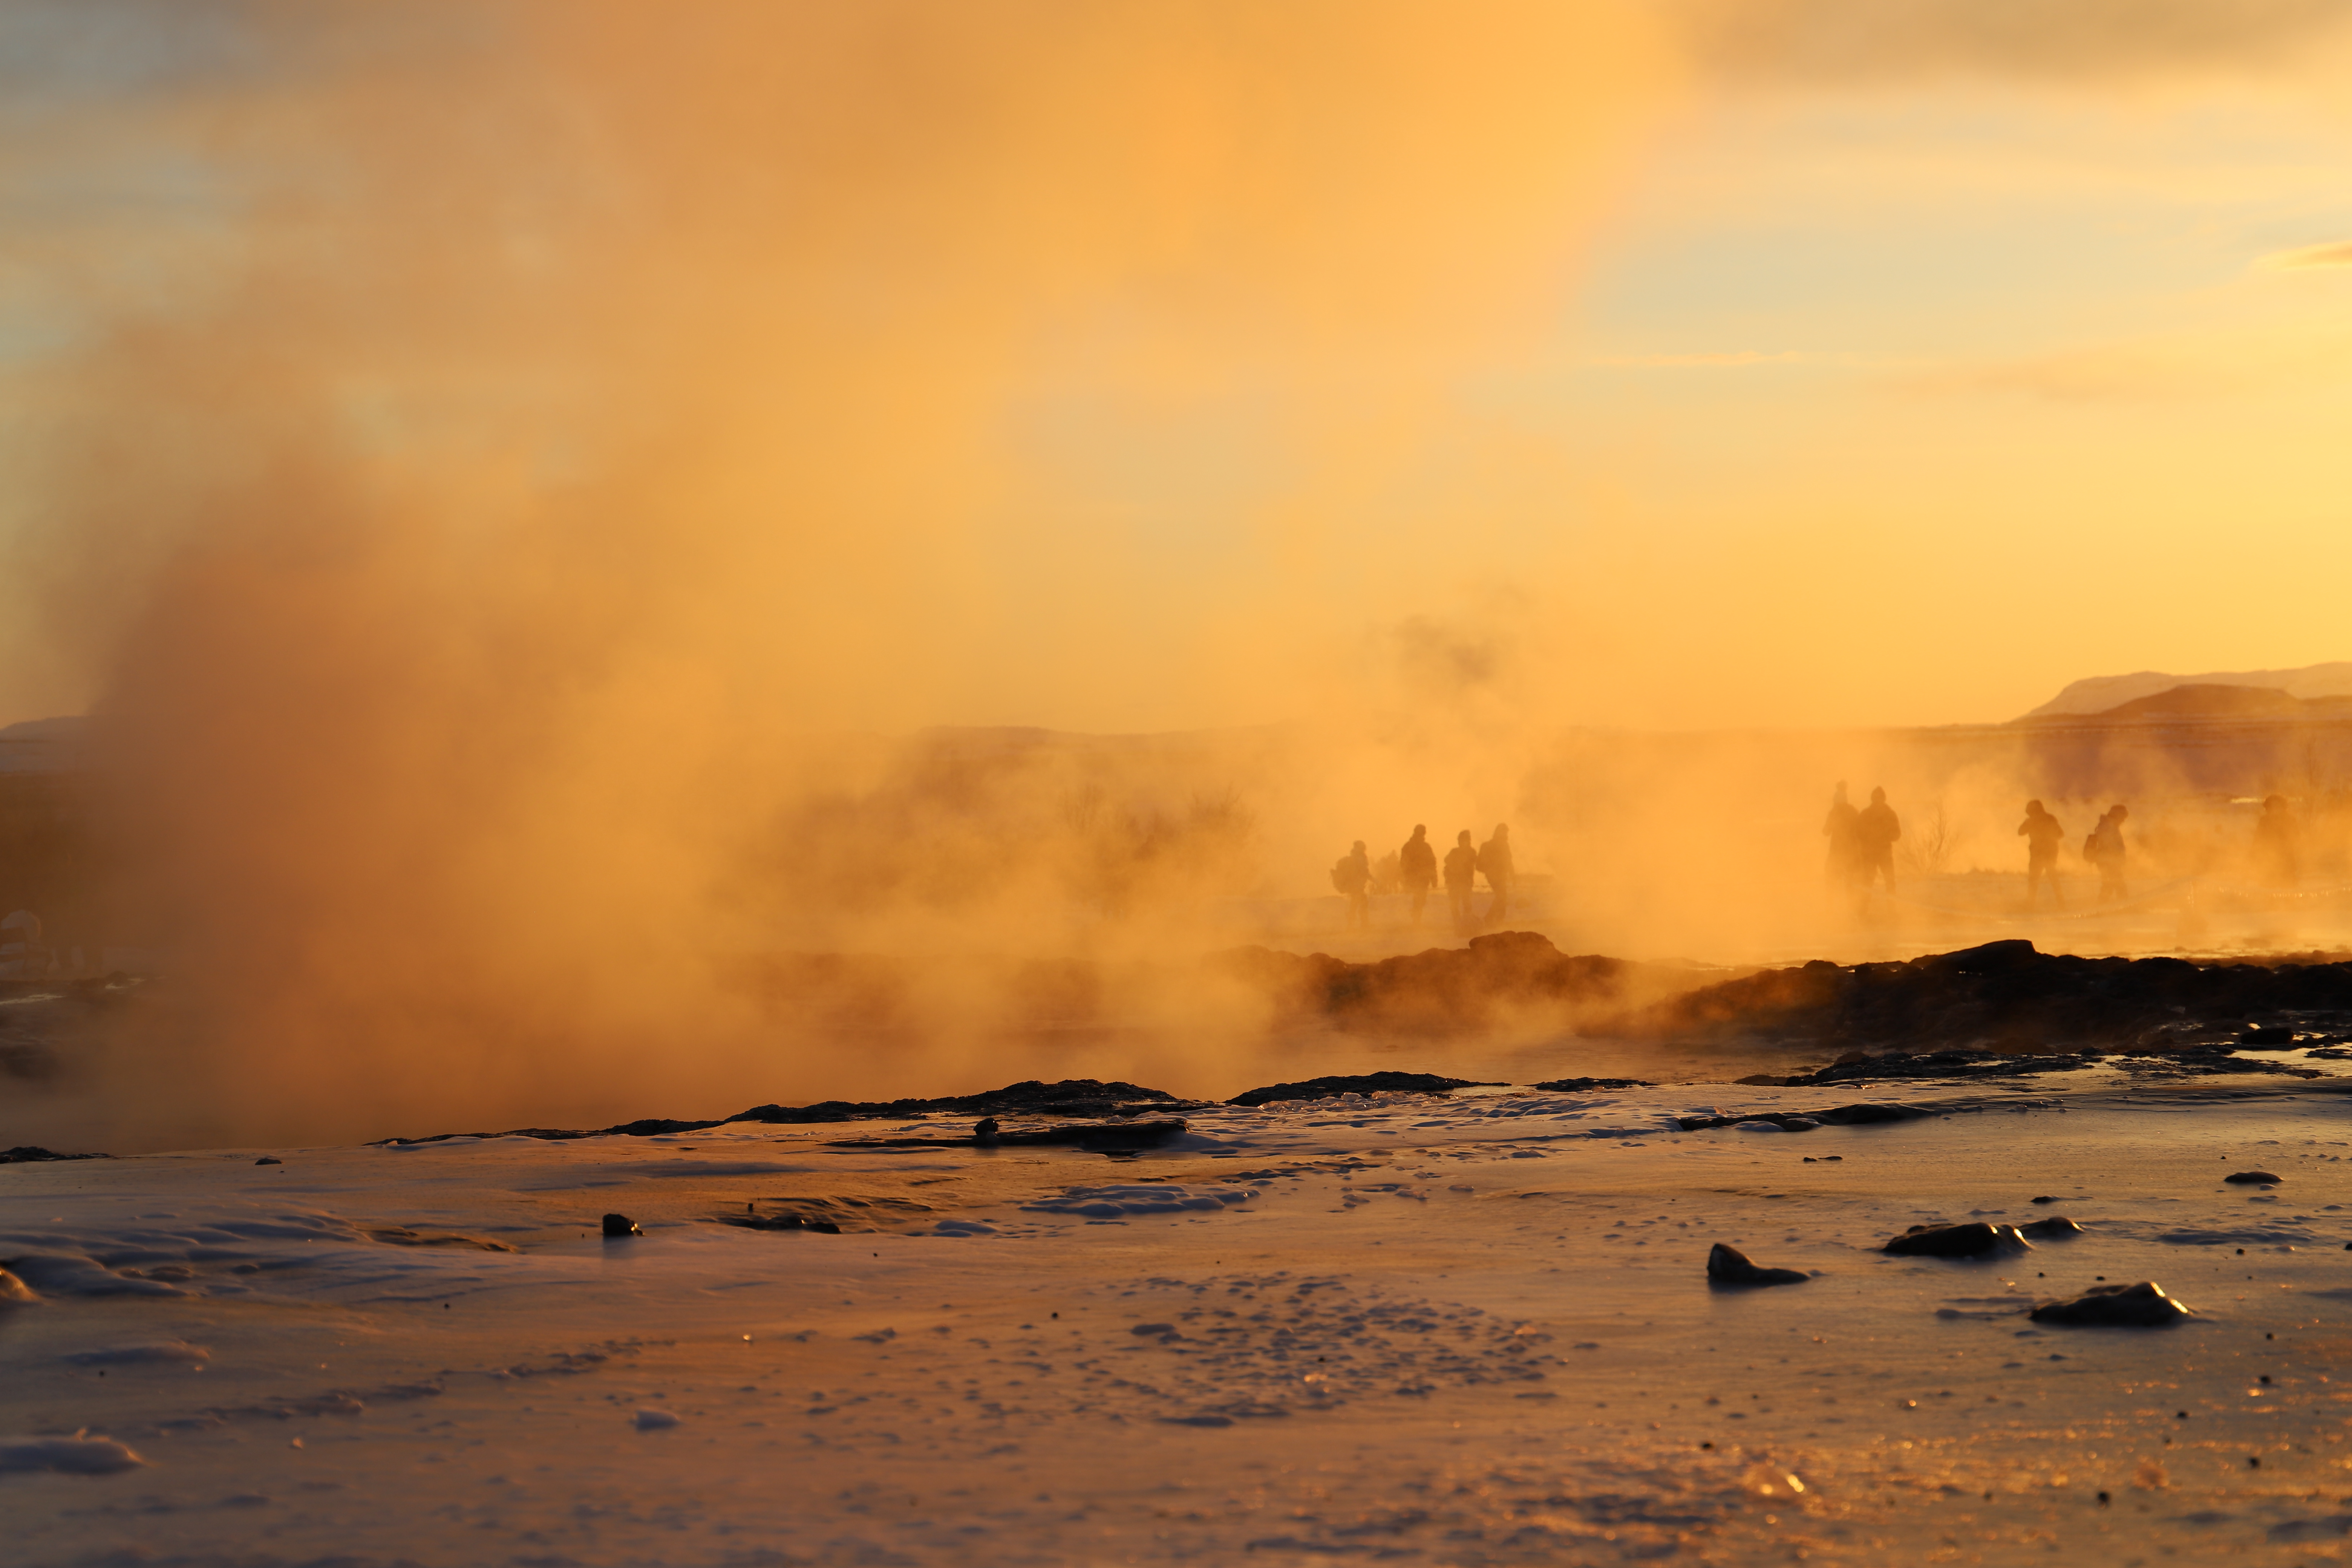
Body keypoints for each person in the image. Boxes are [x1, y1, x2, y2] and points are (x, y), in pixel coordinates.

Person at [2018, 799, 2067, 909]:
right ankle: (2061, 902)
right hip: (2050, 853)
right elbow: (2061, 834)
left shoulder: (2031, 821)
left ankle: (2031, 904)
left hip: (2037, 854)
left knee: (2034, 880)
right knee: (2054, 879)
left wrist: (2029, 824)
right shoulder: (2050, 819)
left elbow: (2020, 832)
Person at [1854, 786, 1901, 896]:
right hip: (1885, 853)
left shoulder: (1865, 814)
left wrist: (1867, 840)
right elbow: (1897, 835)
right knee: (1890, 882)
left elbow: (1858, 833)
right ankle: (1892, 910)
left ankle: (1862, 910)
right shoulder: (1890, 814)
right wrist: (1886, 837)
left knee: (1868, 882)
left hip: (1870, 854)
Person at [2254, 794, 2300, 888]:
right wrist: (2255, 856)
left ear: (2284, 807)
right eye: (2272, 806)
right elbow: (2258, 840)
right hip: (2267, 860)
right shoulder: (2264, 821)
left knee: (2287, 888)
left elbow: (2296, 838)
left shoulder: (2290, 820)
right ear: (2268, 808)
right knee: (2268, 888)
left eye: (2278, 806)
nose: (2275, 809)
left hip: (2286, 860)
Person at [2085, 804, 2130, 902]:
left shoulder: (2110, 825)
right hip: (2108, 861)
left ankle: (2103, 904)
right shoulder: (2108, 826)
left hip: (2108, 861)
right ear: (2118, 815)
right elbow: (2109, 845)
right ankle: (2124, 905)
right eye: (2123, 817)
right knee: (2117, 884)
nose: (2124, 820)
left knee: (2110, 884)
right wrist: (2118, 856)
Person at [1822, 782, 1860, 894]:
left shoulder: (1834, 813)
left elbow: (1826, 832)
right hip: (1851, 851)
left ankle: (1831, 906)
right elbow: (1860, 828)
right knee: (1851, 879)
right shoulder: (1853, 811)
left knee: (1830, 876)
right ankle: (1853, 903)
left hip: (1837, 851)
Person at [1398, 824, 1438, 926]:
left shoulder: (1426, 847)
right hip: (1414, 878)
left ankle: (1415, 915)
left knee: (1421, 900)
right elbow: (1403, 863)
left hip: (1423, 878)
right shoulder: (1409, 846)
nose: (1422, 835)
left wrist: (1434, 878)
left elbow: (1432, 863)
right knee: (1419, 899)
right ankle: (1416, 920)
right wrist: (1405, 876)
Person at [1477, 822, 1515, 924]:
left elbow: (1508, 861)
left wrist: (1512, 875)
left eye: (1506, 832)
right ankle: (1492, 919)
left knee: (1502, 897)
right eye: (1504, 831)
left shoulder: (1504, 845)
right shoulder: (1492, 845)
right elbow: (1508, 861)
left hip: (1500, 875)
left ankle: (1498, 919)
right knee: (1502, 896)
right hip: (1494, 876)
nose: (1505, 834)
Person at [1331, 840, 1372, 929]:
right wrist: (1374, 880)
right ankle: (1363, 924)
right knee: (1361, 904)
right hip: (1357, 886)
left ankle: (1352, 925)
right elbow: (1364, 872)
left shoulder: (1354, 857)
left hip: (1355, 886)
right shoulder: (1360, 858)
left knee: (1355, 905)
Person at [1444, 829, 1479, 933]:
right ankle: (1458, 924)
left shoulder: (1472, 852)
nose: (1463, 842)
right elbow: (1447, 860)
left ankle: (1466, 925)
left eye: (1466, 840)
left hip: (1465, 882)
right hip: (1455, 882)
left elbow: (1476, 862)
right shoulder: (1455, 852)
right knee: (1455, 904)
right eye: (1462, 840)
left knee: (1466, 904)